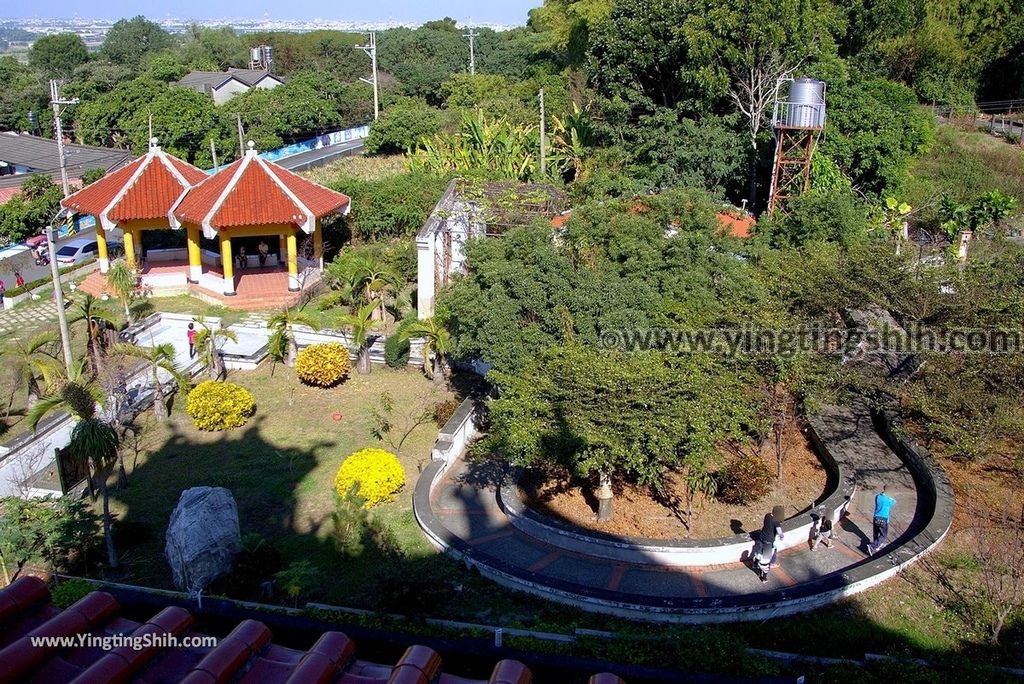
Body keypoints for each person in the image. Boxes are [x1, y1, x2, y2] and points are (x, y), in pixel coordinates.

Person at [754, 507, 785, 583]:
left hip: (761, 537)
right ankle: (764, 578)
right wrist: (781, 536)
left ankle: (755, 565)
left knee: (759, 553)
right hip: (769, 541)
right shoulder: (776, 521)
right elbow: (779, 531)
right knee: (766, 560)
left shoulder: (767, 515)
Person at [867, 485, 896, 555]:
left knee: (876, 533)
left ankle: (875, 544)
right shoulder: (888, 500)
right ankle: (873, 546)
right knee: (883, 535)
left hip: (876, 517)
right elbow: (894, 502)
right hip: (884, 518)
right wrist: (890, 496)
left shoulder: (878, 497)